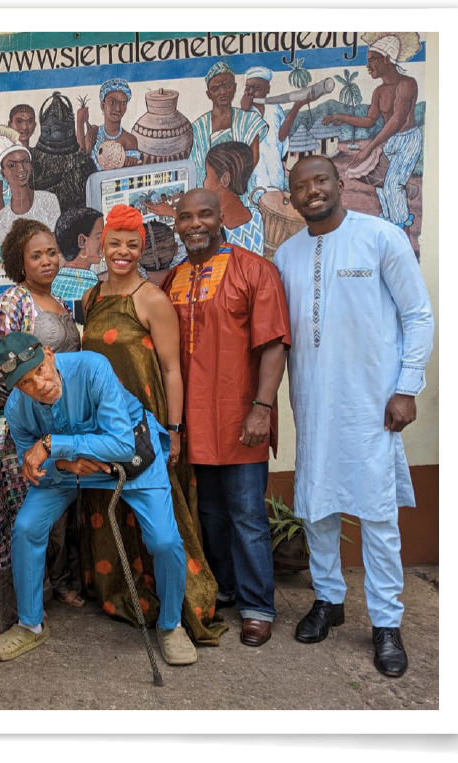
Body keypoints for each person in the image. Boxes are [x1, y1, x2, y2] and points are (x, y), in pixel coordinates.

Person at [274, 155, 433, 677]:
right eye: (301, 186)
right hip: (315, 404)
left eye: (320, 180)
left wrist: (407, 388)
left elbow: (417, 314)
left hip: (373, 406)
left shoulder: (382, 237)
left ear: (340, 183)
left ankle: (387, 623)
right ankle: (329, 600)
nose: (311, 191)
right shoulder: (288, 254)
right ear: (292, 197)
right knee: (318, 505)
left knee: (378, 514)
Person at [0, 333, 195, 665]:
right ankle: (30, 624)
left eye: (39, 370)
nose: (39, 384)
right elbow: (33, 465)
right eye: (25, 382)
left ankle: (171, 626)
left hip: (134, 456)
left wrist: (56, 444)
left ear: (49, 355)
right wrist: (64, 461)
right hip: (67, 468)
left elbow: (122, 444)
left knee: (166, 540)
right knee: (26, 528)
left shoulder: (92, 367)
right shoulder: (16, 409)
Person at [81, 205, 227, 645]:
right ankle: (121, 592)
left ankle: (173, 610)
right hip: (101, 429)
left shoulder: (152, 299)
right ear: (102, 247)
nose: (122, 253)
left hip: (147, 427)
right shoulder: (91, 298)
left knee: (162, 520)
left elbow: (171, 370)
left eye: (131, 244)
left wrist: (174, 430)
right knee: (107, 512)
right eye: (114, 243)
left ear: (141, 248)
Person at [161, 188, 291, 648]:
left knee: (248, 515)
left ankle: (258, 606)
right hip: (192, 421)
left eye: (204, 215)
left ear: (220, 219)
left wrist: (263, 408)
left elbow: (274, 343)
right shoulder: (172, 279)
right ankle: (227, 590)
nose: (194, 224)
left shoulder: (254, 270)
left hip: (240, 418)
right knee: (210, 515)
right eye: (185, 217)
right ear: (176, 224)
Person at [0, 218, 84, 634]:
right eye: (36, 255)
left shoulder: (61, 302)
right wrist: (32, 404)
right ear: (20, 262)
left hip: (61, 423)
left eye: (52, 252)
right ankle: (25, 605)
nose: (46, 261)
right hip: (20, 427)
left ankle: (55, 586)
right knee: (25, 511)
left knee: (59, 508)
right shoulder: (13, 303)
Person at [322, 32, 423, 229]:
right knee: (382, 188)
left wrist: (369, 147)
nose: (368, 66)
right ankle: (389, 226)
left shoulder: (407, 84)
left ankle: (400, 230)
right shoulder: (379, 91)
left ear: (387, 59)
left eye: (372, 60)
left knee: (393, 185)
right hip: (389, 141)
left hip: (407, 141)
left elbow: (397, 120)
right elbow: (369, 120)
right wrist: (340, 117)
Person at [189, 62, 268, 201]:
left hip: (242, 195)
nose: (223, 92)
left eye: (227, 85)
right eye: (215, 88)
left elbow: (252, 159)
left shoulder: (249, 121)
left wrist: (232, 188)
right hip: (209, 198)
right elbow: (195, 166)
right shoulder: (197, 128)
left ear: (235, 88)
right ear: (209, 94)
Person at [239, 65, 313, 193]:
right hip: (253, 172)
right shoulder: (242, 113)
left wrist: (296, 107)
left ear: (267, 89)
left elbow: (281, 137)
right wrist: (244, 112)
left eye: (256, 88)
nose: (251, 92)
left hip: (274, 168)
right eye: (248, 87)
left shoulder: (274, 109)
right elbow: (240, 140)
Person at [0, 132, 62, 246]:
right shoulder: (1, 220)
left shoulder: (48, 200)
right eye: (12, 165)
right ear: (3, 173)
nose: (21, 169)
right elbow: (3, 259)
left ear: (31, 165)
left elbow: (55, 247)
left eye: (25, 161)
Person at [203, 141, 266, 254]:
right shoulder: (256, 215)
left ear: (225, 179)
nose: (204, 182)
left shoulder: (219, 227)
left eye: (207, 175)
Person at [76, 78, 143, 170]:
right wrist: (80, 122)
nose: (118, 109)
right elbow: (79, 158)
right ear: (103, 105)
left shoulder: (130, 140)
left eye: (123, 104)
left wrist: (131, 162)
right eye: (112, 102)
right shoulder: (93, 134)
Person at [51, 206, 104, 316]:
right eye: (99, 237)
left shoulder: (55, 281)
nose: (103, 243)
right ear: (82, 241)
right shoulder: (90, 282)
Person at [0, 104, 36, 213]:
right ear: (10, 124)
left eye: (29, 122)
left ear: (34, 125)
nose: (25, 127)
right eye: (19, 121)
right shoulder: (0, 161)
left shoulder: (37, 155)